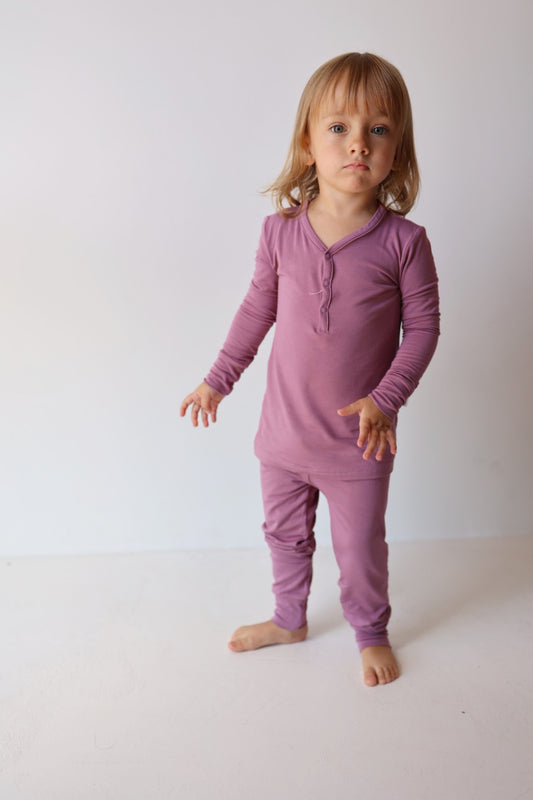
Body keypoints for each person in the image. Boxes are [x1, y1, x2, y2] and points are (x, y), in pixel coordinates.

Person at [180, 52, 440, 687]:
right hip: (284, 436)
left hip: (359, 440)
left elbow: (425, 329)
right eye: (339, 128)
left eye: (378, 129)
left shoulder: (404, 243)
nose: (358, 144)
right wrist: (218, 378)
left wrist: (387, 397)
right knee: (284, 535)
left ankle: (370, 631)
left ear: (398, 149)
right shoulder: (279, 233)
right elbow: (254, 313)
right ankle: (289, 617)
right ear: (307, 142)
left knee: (358, 550)